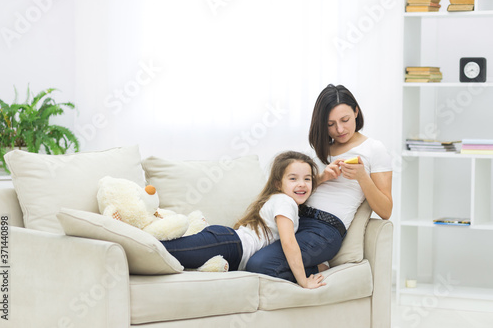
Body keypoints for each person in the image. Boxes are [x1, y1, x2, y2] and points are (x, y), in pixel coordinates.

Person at [246, 84, 393, 281]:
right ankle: (314, 268)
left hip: (325, 229)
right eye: (330, 124)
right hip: (295, 220)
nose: (339, 129)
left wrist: (362, 177)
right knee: (246, 257)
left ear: (356, 112)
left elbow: (385, 210)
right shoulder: (317, 151)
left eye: (345, 120)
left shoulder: (374, 149)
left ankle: (318, 269)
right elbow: (295, 190)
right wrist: (322, 178)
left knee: (259, 264)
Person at [160, 150, 326, 289]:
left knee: (169, 254)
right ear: (277, 184)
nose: (302, 184)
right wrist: (303, 281)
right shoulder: (285, 201)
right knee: (166, 250)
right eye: (293, 178)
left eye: (307, 179)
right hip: (230, 245)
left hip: (231, 250)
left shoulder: (284, 202)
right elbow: (289, 243)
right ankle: (136, 243)